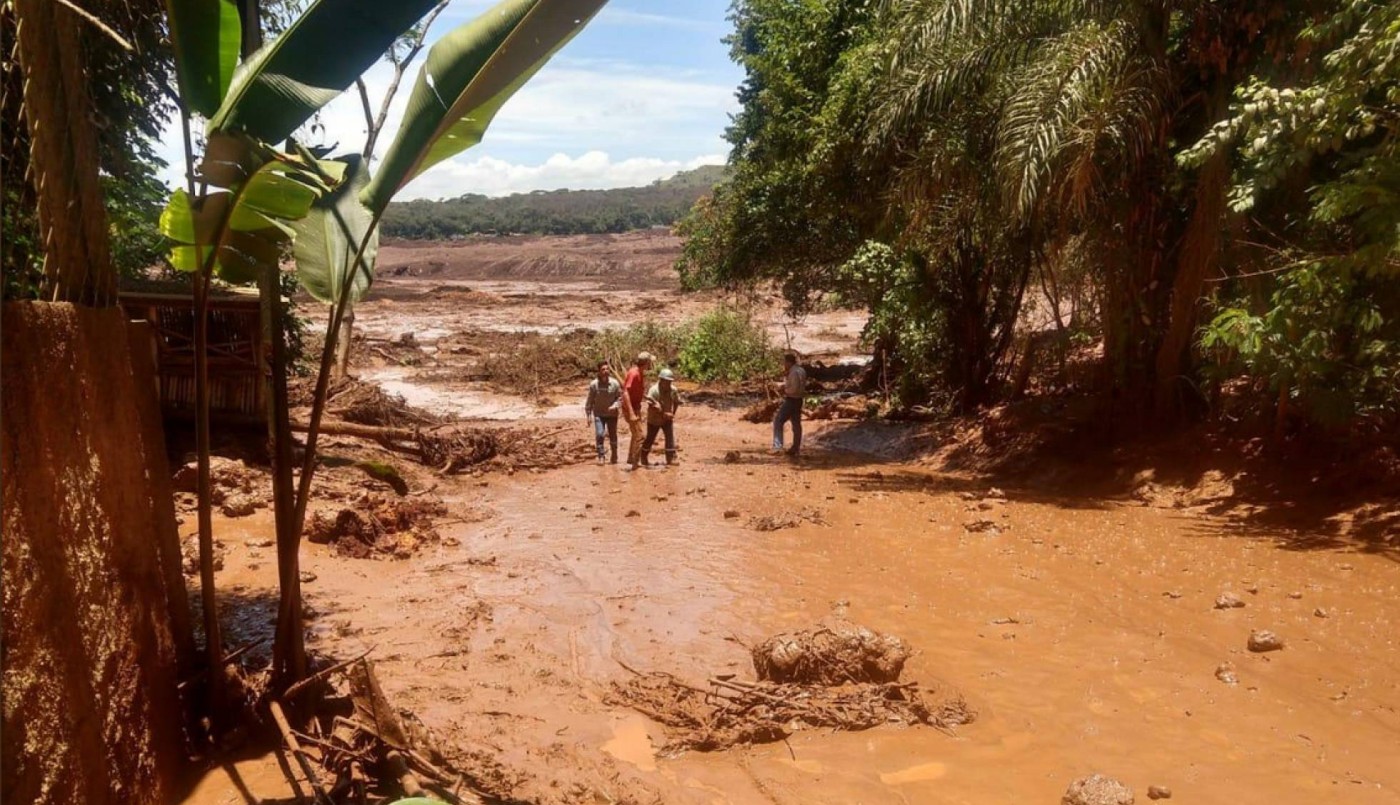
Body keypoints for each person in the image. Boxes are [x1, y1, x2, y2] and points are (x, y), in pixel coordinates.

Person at [641, 367, 682, 466]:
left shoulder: (673, 390)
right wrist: (663, 413)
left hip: (667, 418)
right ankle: (643, 456)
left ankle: (670, 458)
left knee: (670, 438)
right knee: (650, 438)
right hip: (654, 419)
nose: (668, 384)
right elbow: (651, 404)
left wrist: (673, 413)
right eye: (666, 382)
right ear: (661, 380)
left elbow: (676, 401)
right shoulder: (654, 390)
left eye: (670, 382)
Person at [584, 360, 621, 464]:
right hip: (599, 414)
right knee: (600, 434)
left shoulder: (614, 383)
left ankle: (614, 455)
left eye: (607, 369)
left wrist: (615, 406)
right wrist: (588, 416)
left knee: (613, 435)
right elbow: (589, 401)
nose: (606, 371)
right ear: (599, 371)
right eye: (603, 369)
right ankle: (601, 456)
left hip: (612, 415)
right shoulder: (594, 385)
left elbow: (620, 398)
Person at [621, 351, 652, 470]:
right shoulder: (633, 373)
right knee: (640, 436)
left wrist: (646, 398)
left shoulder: (640, 373)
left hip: (636, 407)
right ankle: (635, 464)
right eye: (650, 362)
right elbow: (625, 392)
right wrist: (632, 413)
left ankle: (630, 457)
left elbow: (636, 390)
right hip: (630, 409)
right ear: (646, 362)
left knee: (635, 434)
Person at [772, 351, 806, 458]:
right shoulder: (801, 370)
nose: (784, 365)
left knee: (778, 420)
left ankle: (778, 446)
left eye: (785, 362)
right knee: (796, 424)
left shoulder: (794, 372)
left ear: (789, 362)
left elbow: (794, 389)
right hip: (799, 400)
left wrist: (784, 389)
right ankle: (795, 448)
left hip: (792, 399)